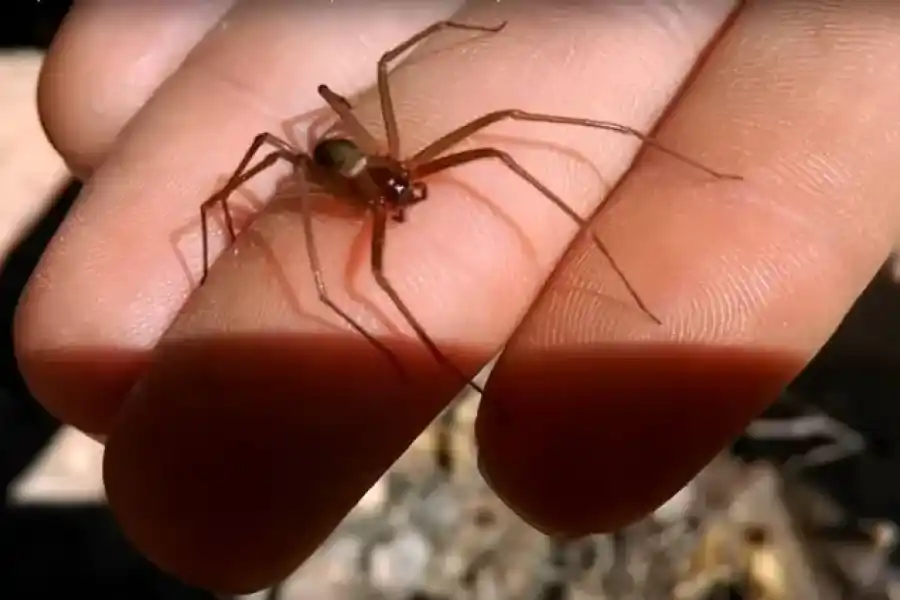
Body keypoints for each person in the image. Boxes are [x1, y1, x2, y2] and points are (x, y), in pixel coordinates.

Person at [12, 2, 900, 595]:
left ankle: (675, 170)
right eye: (397, 192)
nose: (408, 199)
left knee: (508, 136)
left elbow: (415, 75)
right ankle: (461, 383)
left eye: (402, 186)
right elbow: (331, 270)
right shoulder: (352, 192)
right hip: (341, 171)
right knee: (350, 271)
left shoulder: (406, 157)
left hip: (372, 157)